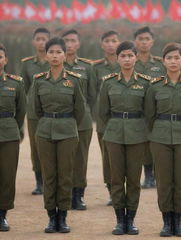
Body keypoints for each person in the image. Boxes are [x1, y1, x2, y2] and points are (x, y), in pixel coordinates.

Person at [145, 42, 181, 237]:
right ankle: (166, 222)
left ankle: (178, 221)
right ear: (163, 61)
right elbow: (149, 114)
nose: (173, 61)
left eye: (177, 57)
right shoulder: (154, 86)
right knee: (163, 181)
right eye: (169, 58)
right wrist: (159, 131)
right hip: (160, 138)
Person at [31, 37, 85, 233]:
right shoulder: (39, 81)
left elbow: (80, 110)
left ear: (65, 55)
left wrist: (67, 124)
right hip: (45, 131)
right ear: (46, 56)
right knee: (49, 176)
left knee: (65, 175)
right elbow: (35, 110)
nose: (54, 56)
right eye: (51, 52)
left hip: (67, 131)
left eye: (58, 52)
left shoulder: (73, 80)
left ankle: (62, 216)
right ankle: (51, 217)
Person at [99, 41, 150, 235]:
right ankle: (120, 220)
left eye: (130, 55)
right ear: (117, 58)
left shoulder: (145, 83)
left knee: (134, 179)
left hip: (137, 135)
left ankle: (132, 219)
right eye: (123, 56)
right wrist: (110, 131)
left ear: (136, 57)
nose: (127, 59)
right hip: (114, 135)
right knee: (117, 179)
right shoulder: (109, 82)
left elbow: (149, 112)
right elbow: (102, 112)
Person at [62, 29, 95, 210]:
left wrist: (84, 112)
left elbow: (92, 95)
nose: (69, 44)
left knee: (81, 159)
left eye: (72, 40)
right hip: (61, 120)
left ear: (79, 44)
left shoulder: (87, 67)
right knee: (64, 159)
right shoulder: (54, 65)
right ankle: (65, 195)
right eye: (65, 40)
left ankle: (78, 195)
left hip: (82, 121)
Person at [134, 26, 166, 189]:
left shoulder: (161, 64)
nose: (144, 42)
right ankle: (146, 176)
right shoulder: (130, 61)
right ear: (135, 42)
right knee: (140, 145)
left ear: (152, 42)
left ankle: (153, 175)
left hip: (156, 110)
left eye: (147, 39)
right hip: (136, 109)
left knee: (155, 143)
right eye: (140, 39)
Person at [20, 27, 50, 195]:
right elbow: (22, 88)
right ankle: (39, 182)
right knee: (36, 147)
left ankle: (52, 181)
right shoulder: (27, 64)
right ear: (33, 41)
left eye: (44, 39)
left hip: (52, 111)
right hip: (34, 113)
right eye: (38, 39)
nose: (41, 42)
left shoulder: (56, 60)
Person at [92, 30, 120, 205]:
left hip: (129, 122)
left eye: (114, 41)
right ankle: (112, 190)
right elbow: (94, 94)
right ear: (102, 44)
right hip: (105, 121)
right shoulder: (96, 68)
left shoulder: (128, 63)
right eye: (107, 41)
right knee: (108, 158)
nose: (111, 44)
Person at [0, 44, 26, 231]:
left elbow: (21, 111)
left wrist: (16, 131)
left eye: (0, 56)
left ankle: (2, 215)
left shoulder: (15, 83)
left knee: (7, 176)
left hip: (8, 133)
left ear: (5, 60)